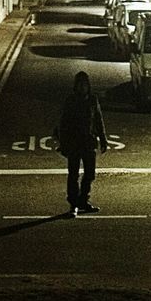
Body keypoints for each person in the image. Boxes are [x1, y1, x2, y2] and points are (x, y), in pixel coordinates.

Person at [54, 70, 109, 217]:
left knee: (90, 174)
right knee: (73, 174)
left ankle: (83, 200)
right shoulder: (71, 101)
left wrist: (103, 139)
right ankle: (73, 204)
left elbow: (98, 119)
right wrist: (64, 143)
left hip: (88, 142)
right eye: (80, 85)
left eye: (84, 85)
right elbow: (64, 123)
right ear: (76, 86)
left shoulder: (92, 100)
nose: (82, 87)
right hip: (74, 143)